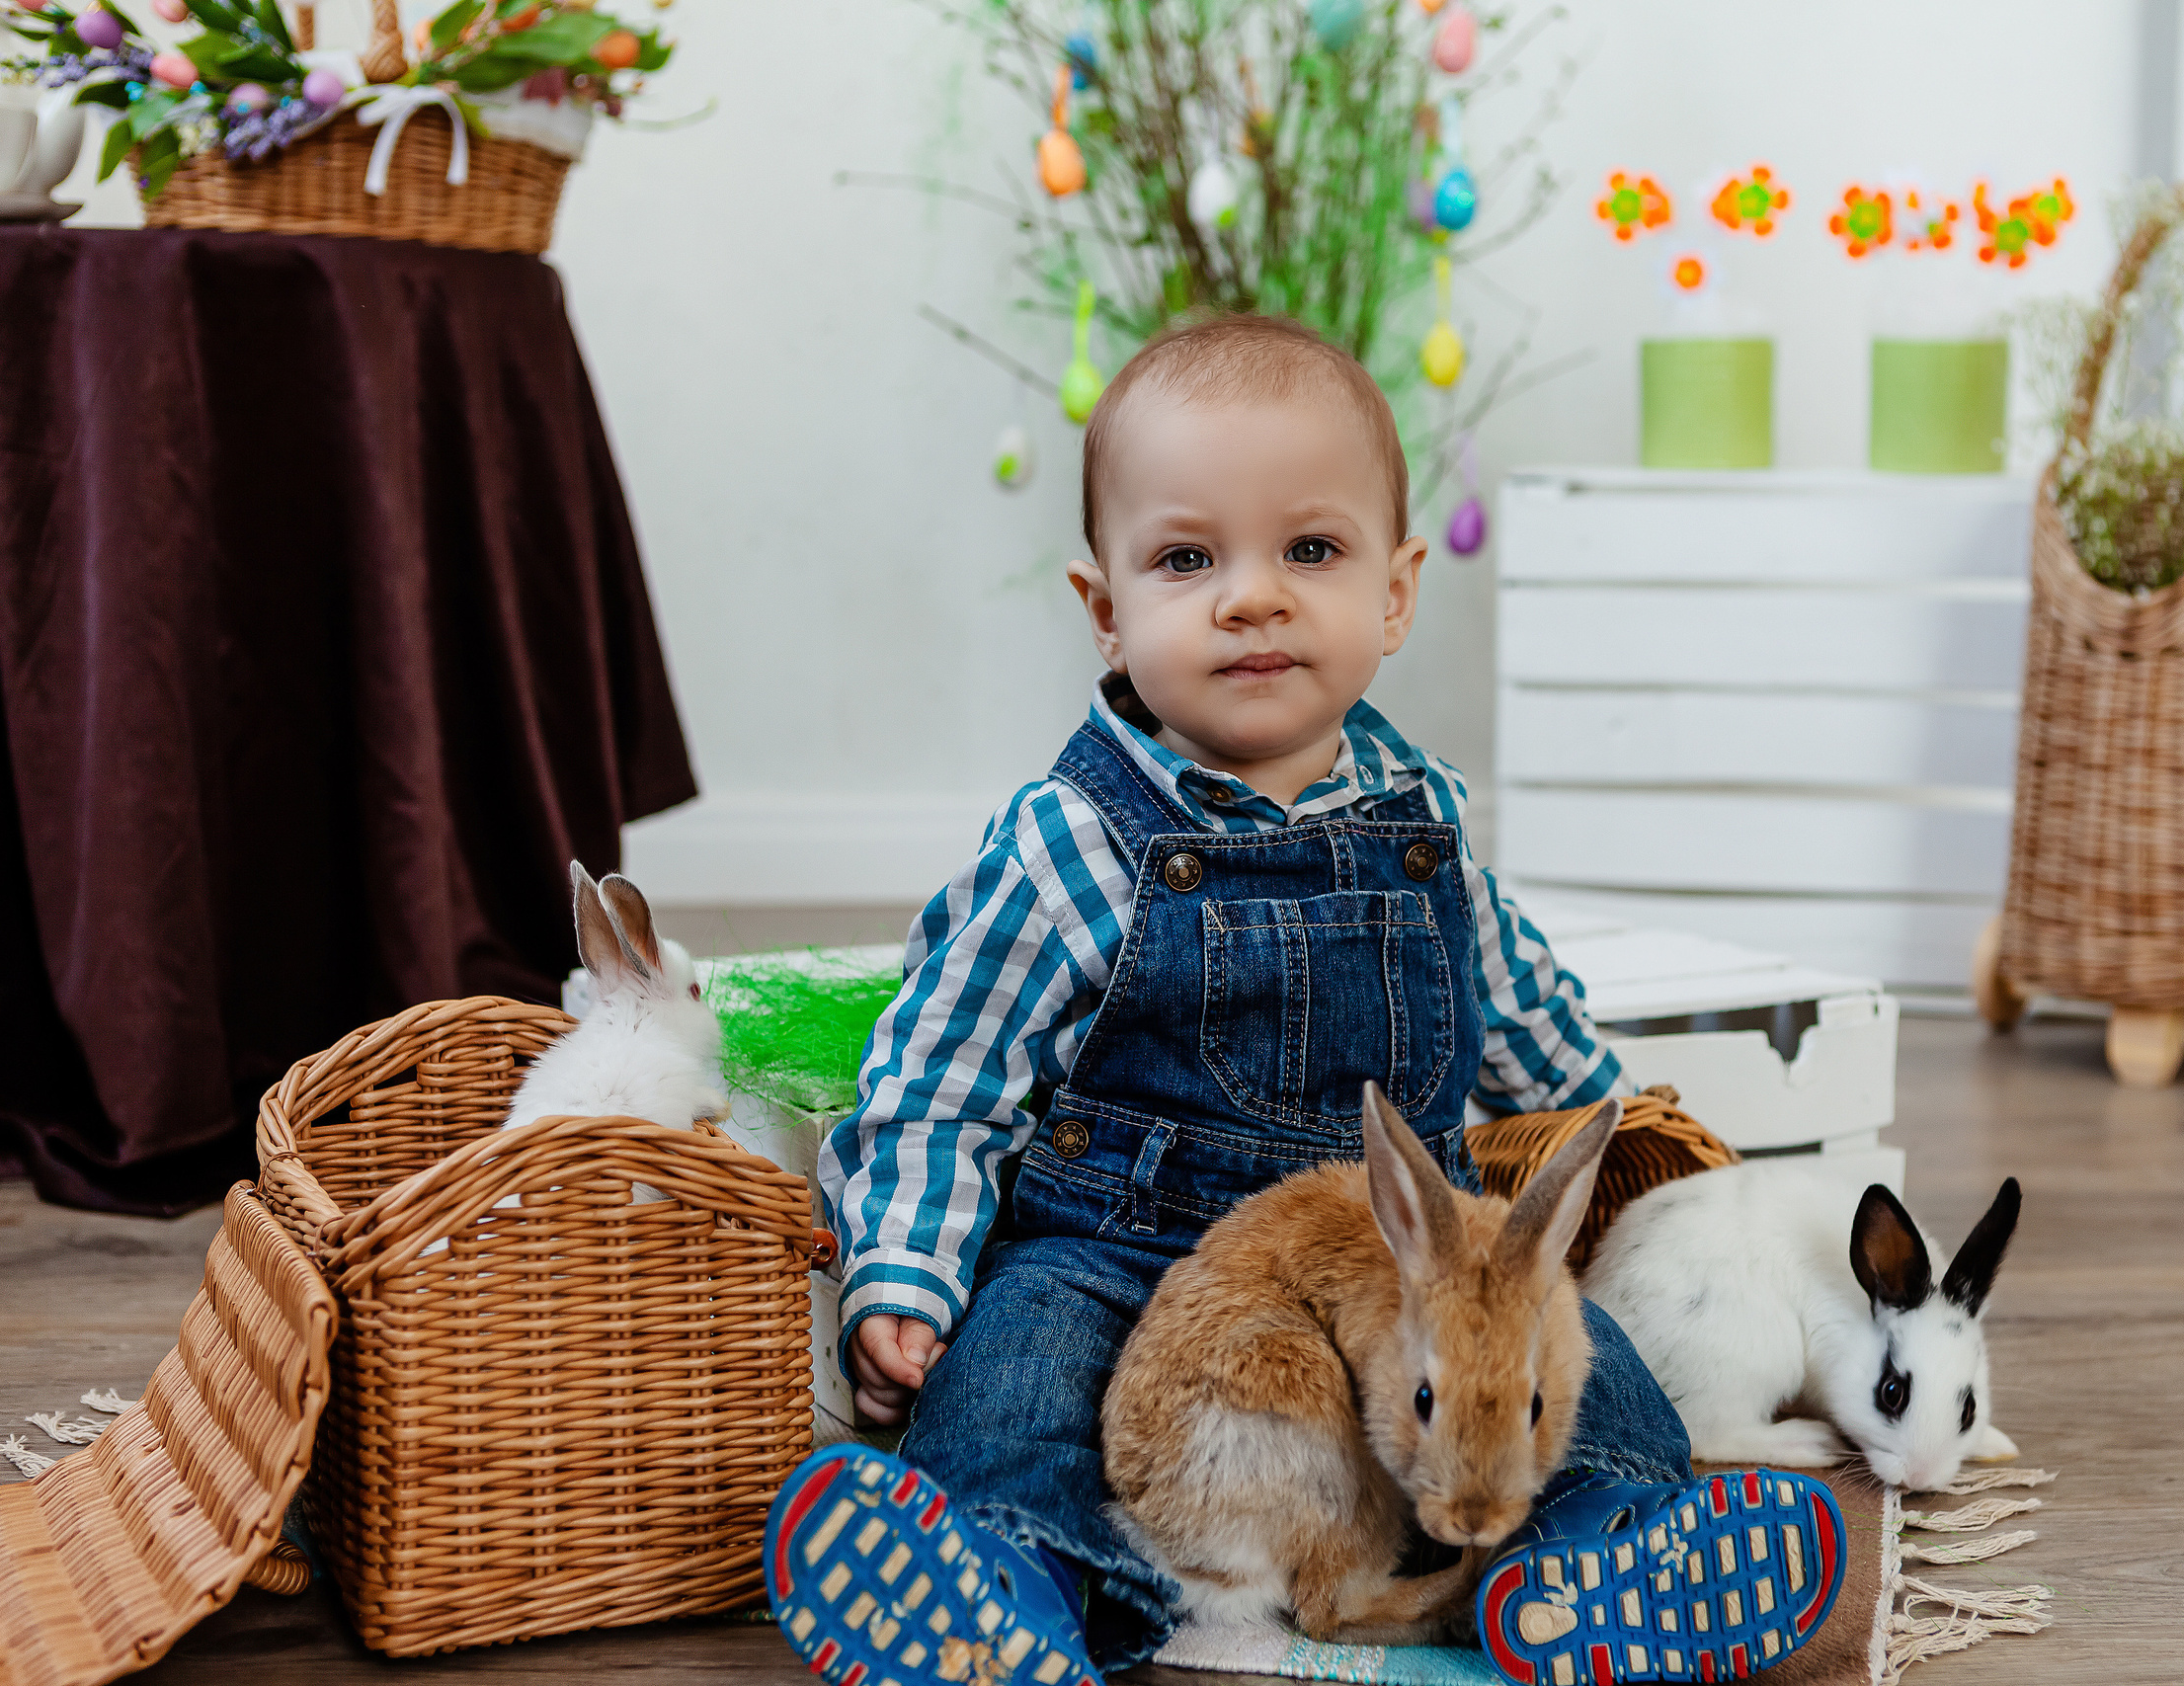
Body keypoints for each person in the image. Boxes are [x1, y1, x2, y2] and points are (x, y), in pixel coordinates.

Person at [763, 315, 1843, 1686]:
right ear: (1107, 608)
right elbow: (941, 1081)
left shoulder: (1426, 820)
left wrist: (1611, 1132)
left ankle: (1610, 1556)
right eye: (1187, 559)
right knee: (1012, 1378)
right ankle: (1001, 1585)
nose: (1252, 597)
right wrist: (903, 1274)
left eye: (1310, 552)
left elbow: (1514, 1011)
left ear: (1395, 595)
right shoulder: (1070, 841)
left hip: (1412, 1269)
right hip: (1120, 1245)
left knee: (1585, 1376)